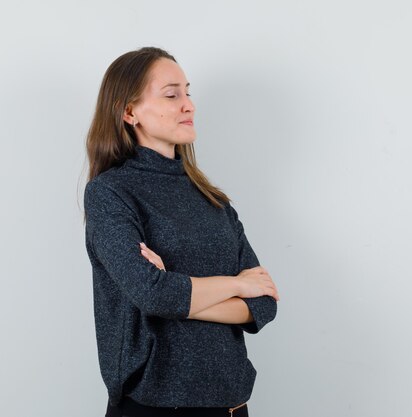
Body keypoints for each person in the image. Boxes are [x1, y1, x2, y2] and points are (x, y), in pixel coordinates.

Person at [83, 46, 279, 417]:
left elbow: (264, 303)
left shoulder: (212, 200)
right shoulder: (110, 193)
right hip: (156, 404)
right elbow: (153, 294)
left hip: (233, 403)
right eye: (172, 94)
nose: (188, 104)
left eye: (188, 92)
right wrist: (236, 284)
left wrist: (177, 289)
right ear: (129, 112)